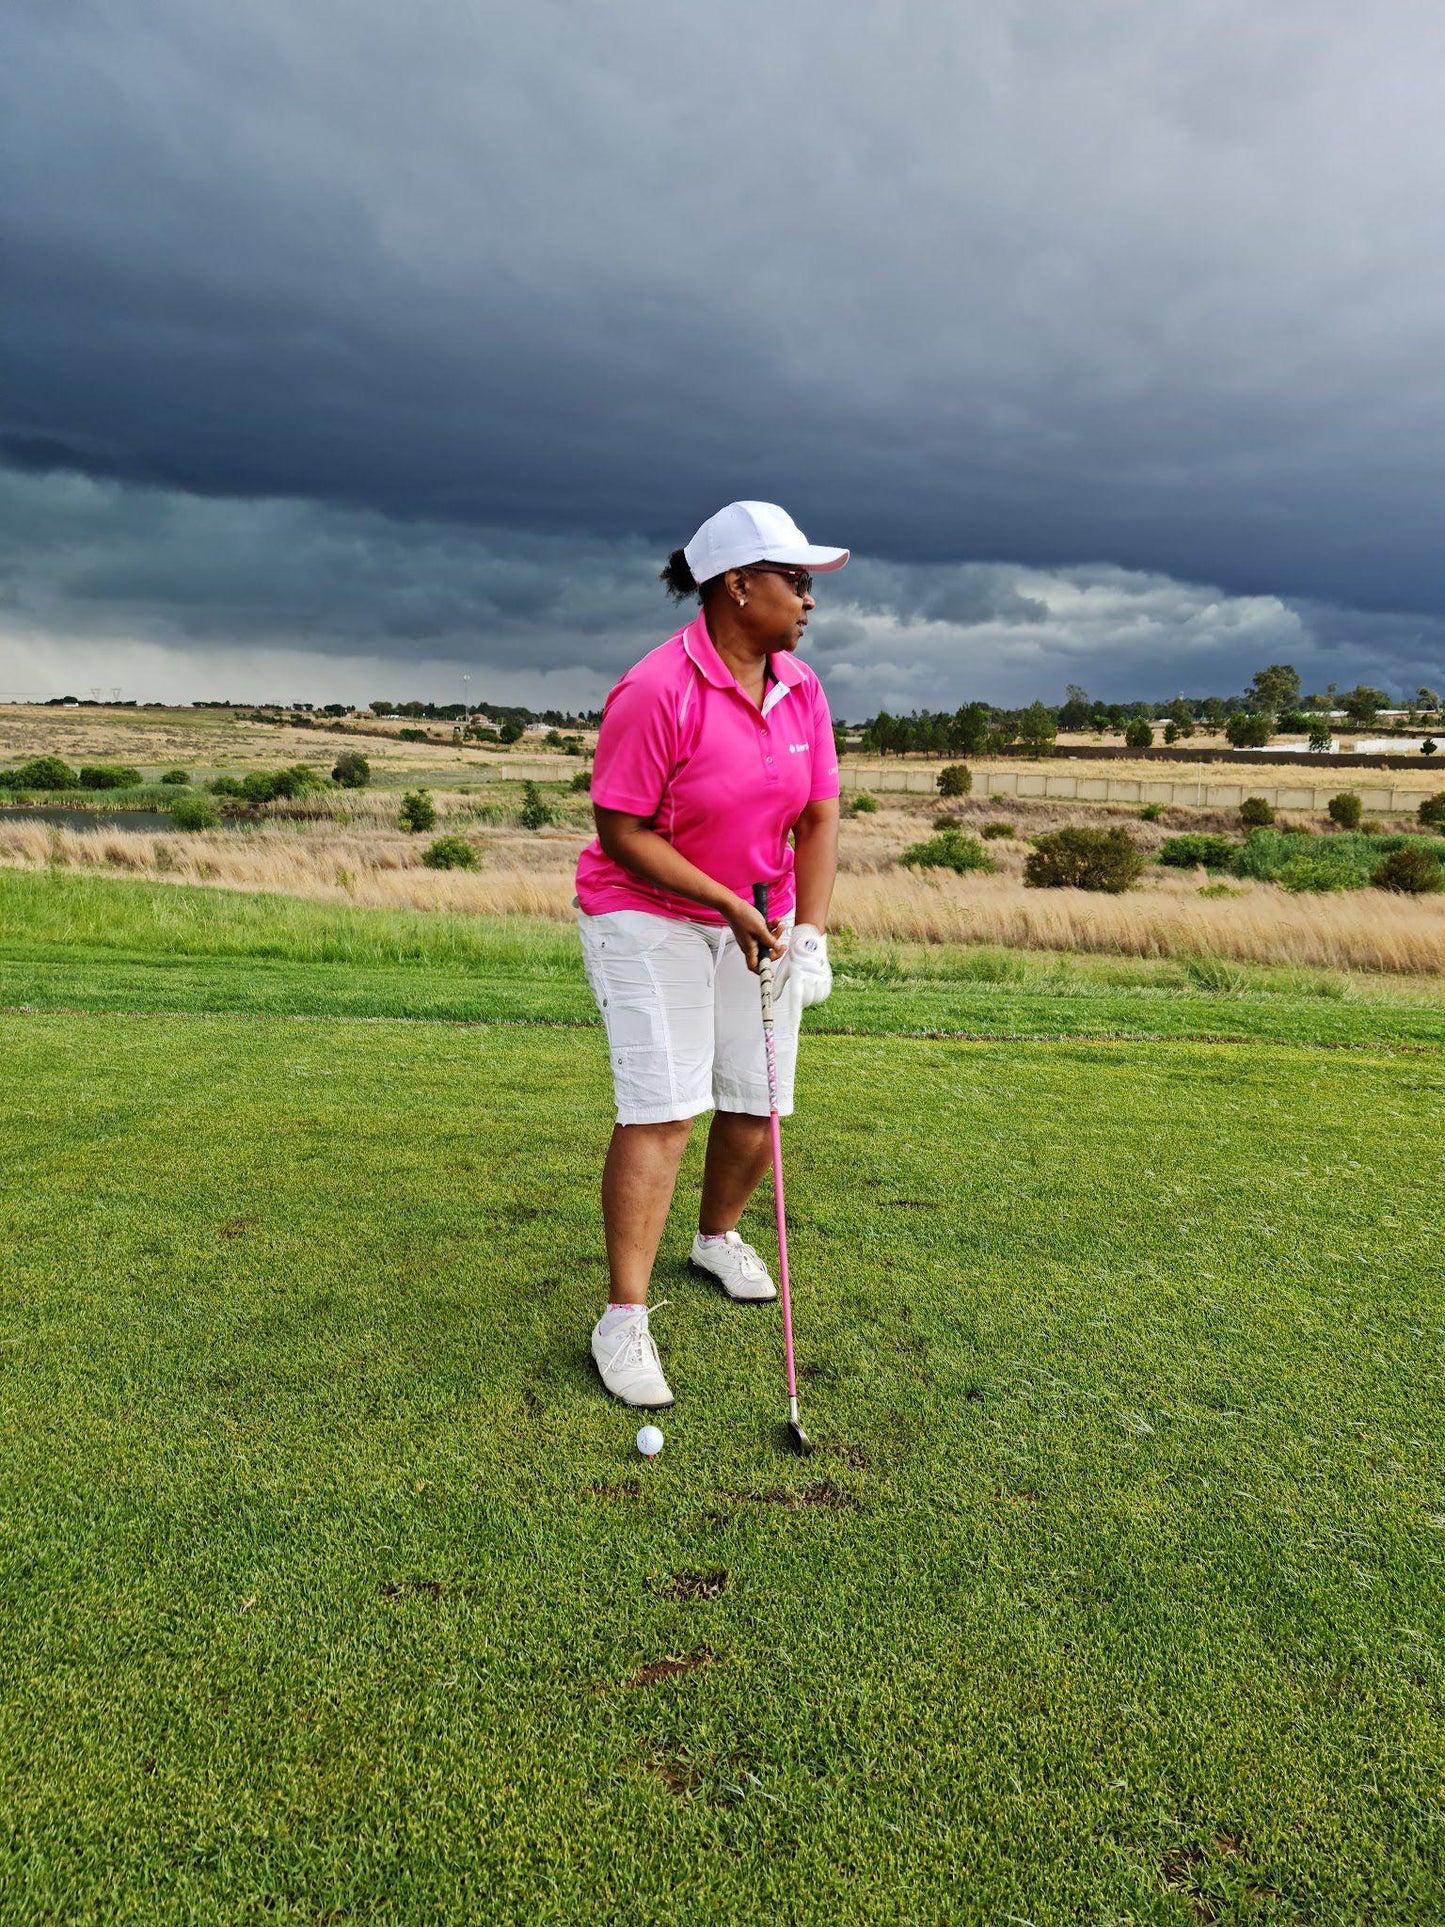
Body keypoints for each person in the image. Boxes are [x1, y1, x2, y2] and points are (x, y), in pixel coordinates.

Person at [574, 500, 847, 1408]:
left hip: (757, 913)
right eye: (795, 581)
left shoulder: (801, 689)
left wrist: (810, 927)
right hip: (646, 912)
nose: (809, 600)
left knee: (757, 1098)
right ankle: (622, 1318)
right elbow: (620, 830)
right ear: (738, 587)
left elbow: (816, 814)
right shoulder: (658, 688)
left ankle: (715, 1236)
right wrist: (726, 900)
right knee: (663, 1107)